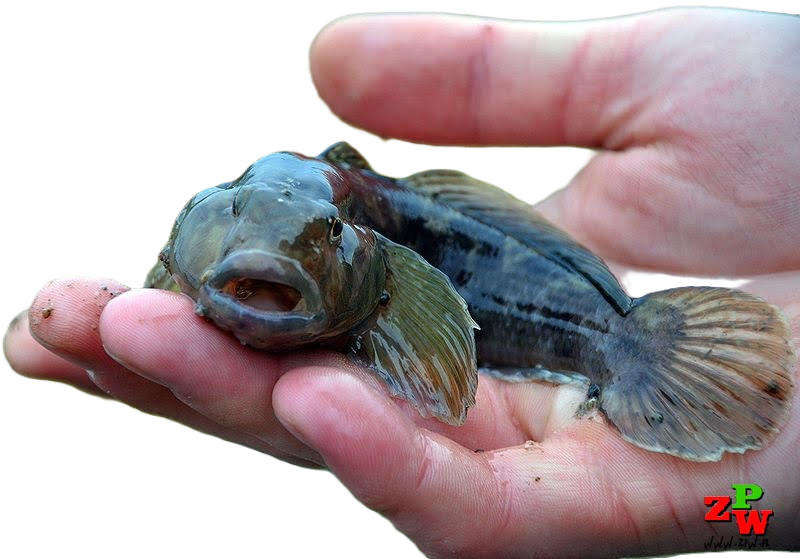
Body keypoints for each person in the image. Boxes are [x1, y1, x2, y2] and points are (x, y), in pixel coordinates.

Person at [4, 7, 799, 557]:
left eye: (320, 245)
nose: (268, 261)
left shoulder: (380, 248)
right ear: (196, 222)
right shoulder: (212, 234)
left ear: (365, 259)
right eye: (237, 226)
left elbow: (431, 346)